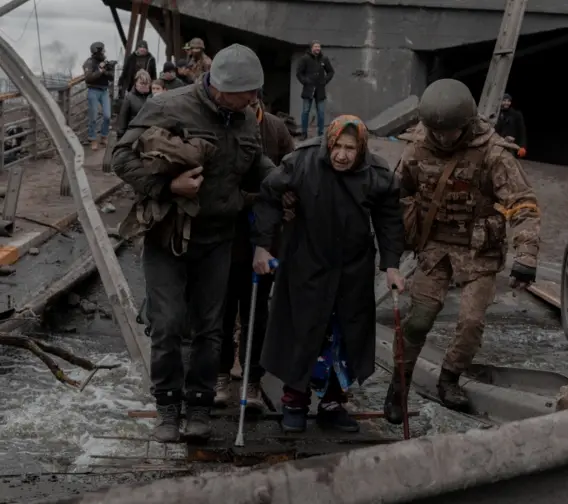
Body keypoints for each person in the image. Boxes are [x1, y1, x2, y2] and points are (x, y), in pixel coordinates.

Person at [111, 43, 274, 443]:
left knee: (210, 328)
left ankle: (199, 404)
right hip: (169, 235)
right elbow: (120, 158)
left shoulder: (245, 118)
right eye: (248, 93)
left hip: (218, 238)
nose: (255, 100)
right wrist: (169, 185)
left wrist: (289, 178)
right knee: (167, 325)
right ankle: (168, 404)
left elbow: (255, 167)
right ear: (220, 88)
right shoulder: (171, 106)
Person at [384, 79, 540, 421]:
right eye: (435, 131)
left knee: (470, 323)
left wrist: (526, 255)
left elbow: (523, 204)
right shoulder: (417, 148)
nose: (441, 138)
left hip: (479, 250)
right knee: (418, 321)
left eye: (449, 132)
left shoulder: (493, 153)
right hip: (434, 248)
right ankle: (399, 386)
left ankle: (450, 377)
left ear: (466, 124)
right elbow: (392, 196)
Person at [252, 115, 405, 433]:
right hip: (307, 262)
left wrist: (391, 265)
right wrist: (264, 246)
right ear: (328, 143)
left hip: (353, 269)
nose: (342, 155)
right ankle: (294, 401)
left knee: (344, 335)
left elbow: (389, 218)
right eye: (337, 146)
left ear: (360, 148)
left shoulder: (375, 173)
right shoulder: (302, 162)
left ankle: (333, 403)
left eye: (350, 148)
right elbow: (268, 195)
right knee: (304, 330)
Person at [216, 89, 295, 411]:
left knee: (257, 313)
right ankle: (220, 375)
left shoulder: (275, 129)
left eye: (252, 101)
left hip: (264, 236)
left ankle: (252, 379)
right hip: (225, 233)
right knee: (220, 313)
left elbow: (289, 170)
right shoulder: (223, 124)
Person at [295, 40, 334, 140]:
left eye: (319, 47)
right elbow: (299, 73)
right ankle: (304, 134)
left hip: (320, 90)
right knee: (305, 111)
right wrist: (306, 81)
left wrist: (324, 81)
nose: (318, 48)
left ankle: (321, 134)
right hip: (308, 89)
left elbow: (331, 71)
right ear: (311, 48)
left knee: (321, 113)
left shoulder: (324, 59)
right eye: (316, 46)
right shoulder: (305, 59)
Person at [83, 42, 114, 151]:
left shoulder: (105, 62)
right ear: (98, 51)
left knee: (107, 115)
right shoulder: (89, 62)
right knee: (94, 116)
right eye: (102, 50)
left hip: (104, 90)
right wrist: (99, 71)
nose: (104, 52)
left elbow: (112, 77)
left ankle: (104, 135)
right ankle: (93, 138)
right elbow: (88, 78)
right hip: (93, 90)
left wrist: (106, 70)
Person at [116, 70, 151, 139]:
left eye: (146, 84)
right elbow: (123, 117)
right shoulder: (129, 98)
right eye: (141, 83)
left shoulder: (153, 97)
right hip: (133, 133)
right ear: (136, 83)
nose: (144, 86)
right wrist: (121, 135)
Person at [495, 93, 527, 158]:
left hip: (510, 146)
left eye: (508, 101)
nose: (506, 103)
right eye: (504, 100)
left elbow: (522, 132)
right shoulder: (496, 114)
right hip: (498, 145)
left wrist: (523, 147)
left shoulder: (516, 114)